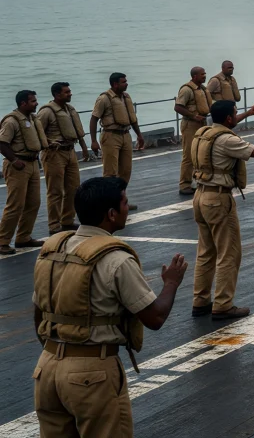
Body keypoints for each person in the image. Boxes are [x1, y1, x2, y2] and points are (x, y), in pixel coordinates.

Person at [31, 176, 187, 438]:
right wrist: (171, 283)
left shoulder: (52, 251)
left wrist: (59, 351)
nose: (128, 207)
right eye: (124, 203)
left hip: (46, 368)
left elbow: (38, 314)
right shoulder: (116, 259)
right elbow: (155, 317)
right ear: (111, 214)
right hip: (92, 373)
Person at [189, 100, 254, 320]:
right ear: (228, 118)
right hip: (218, 199)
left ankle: (200, 301)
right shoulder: (227, 140)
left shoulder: (202, 133)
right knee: (229, 253)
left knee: (206, 252)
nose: (236, 117)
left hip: (199, 195)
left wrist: (248, 113)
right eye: (235, 114)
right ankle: (223, 305)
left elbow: (229, 124)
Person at [35, 82, 89, 235]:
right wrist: (49, 143)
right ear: (57, 94)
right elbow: (37, 132)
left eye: (69, 91)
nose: (70, 94)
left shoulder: (69, 109)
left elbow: (77, 130)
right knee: (55, 190)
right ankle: (53, 224)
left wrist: (84, 147)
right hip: (54, 154)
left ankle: (67, 220)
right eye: (66, 92)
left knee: (74, 188)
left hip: (70, 151)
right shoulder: (47, 112)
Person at [1, 90, 47, 255]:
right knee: (15, 205)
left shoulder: (33, 119)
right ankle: (3, 241)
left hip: (33, 163)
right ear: (23, 103)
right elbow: (2, 143)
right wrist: (14, 160)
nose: (36, 103)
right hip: (18, 165)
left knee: (34, 202)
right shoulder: (12, 121)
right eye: (33, 101)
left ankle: (23, 237)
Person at [89, 73, 145, 192]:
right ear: (115, 84)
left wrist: (139, 135)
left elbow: (132, 119)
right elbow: (94, 119)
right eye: (123, 82)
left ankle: (121, 199)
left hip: (125, 134)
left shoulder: (126, 97)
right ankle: (110, 201)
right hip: (110, 136)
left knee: (126, 170)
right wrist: (93, 141)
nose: (126, 84)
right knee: (110, 172)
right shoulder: (104, 99)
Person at [174, 67, 211, 196]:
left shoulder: (202, 89)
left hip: (202, 124)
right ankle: (184, 184)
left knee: (199, 154)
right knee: (189, 155)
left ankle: (196, 181)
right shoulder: (186, 89)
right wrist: (193, 116)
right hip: (190, 125)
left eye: (205, 74)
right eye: (202, 74)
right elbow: (178, 107)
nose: (204, 76)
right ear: (194, 76)